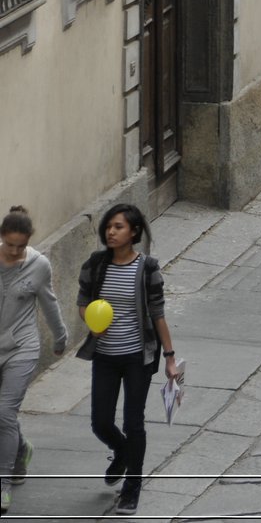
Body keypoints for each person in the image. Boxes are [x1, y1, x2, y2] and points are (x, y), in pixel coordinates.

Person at [75, 204, 180, 517]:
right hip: (105, 356)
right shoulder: (95, 264)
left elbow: (158, 314)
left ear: (133, 232)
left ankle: (132, 487)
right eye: (108, 226)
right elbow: (82, 303)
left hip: (138, 356)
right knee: (101, 422)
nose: (111, 231)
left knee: (134, 422)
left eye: (118, 227)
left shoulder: (147, 268)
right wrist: (91, 320)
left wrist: (170, 357)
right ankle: (121, 451)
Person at [0, 207, 65, 514]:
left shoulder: (39, 265)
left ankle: (3, 485)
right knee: (4, 418)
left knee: (3, 411)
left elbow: (49, 304)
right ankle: (21, 450)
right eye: (9, 244)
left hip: (22, 347)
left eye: (20, 246)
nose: (14, 251)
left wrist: (60, 337)